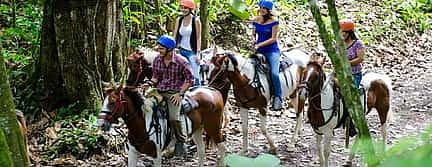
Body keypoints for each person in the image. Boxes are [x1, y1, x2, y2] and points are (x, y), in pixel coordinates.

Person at [150, 35, 194, 156]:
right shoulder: (157, 60)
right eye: (158, 49)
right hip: (159, 90)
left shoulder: (182, 61)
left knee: (173, 118)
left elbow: (190, 80)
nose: (159, 51)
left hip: (174, 92)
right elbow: (156, 77)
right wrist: (149, 83)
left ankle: (181, 141)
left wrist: (180, 94)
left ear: (170, 50)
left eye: (161, 49)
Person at [252, 0, 282, 111]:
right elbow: (253, 34)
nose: (261, 10)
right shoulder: (256, 20)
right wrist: (253, 41)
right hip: (259, 50)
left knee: (274, 73)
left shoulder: (274, 21)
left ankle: (278, 97)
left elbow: (273, 38)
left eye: (264, 8)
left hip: (271, 50)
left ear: (268, 10)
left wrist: (259, 44)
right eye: (260, 7)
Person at [173, 0, 202, 86]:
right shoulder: (179, 19)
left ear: (190, 9)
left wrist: (198, 53)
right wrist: (172, 48)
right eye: (182, 7)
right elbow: (174, 35)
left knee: (195, 77)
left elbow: (198, 37)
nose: (183, 10)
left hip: (191, 52)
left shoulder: (196, 20)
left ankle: (198, 91)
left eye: (185, 8)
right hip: (180, 51)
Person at [339, 19, 365, 88]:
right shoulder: (339, 44)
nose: (341, 34)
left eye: (343, 32)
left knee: (352, 93)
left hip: (354, 74)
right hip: (341, 73)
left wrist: (346, 63)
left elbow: (360, 59)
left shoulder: (358, 44)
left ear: (349, 33)